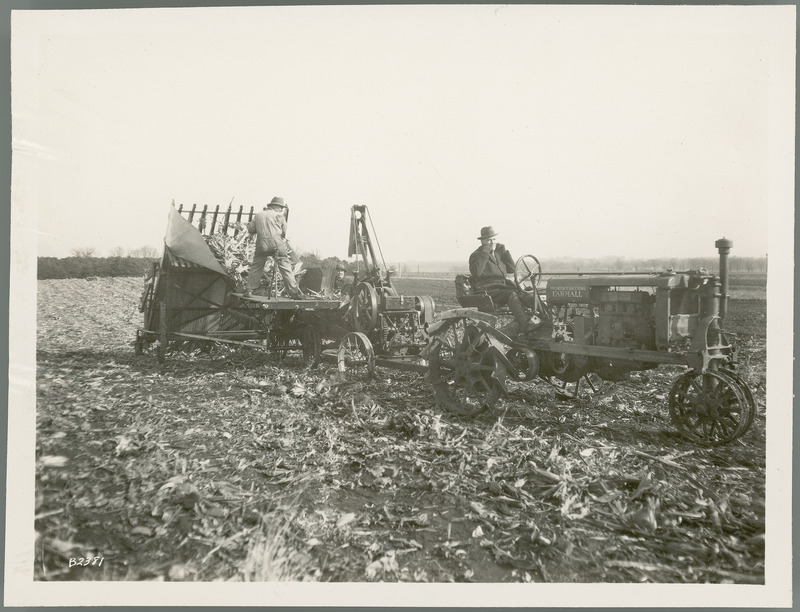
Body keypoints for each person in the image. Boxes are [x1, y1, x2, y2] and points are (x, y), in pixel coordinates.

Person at [469, 226, 541, 334]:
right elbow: (476, 272)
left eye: (494, 239)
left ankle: (543, 319)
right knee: (512, 295)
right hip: (487, 289)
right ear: (482, 241)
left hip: (502, 287)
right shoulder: (476, 255)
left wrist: (505, 253)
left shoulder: (498, 254)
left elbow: (512, 269)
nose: (492, 242)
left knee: (529, 293)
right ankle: (526, 325)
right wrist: (485, 253)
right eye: (488, 240)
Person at [244, 196, 304, 299]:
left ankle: (249, 289)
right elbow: (284, 232)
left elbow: (251, 229)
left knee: (257, 265)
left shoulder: (258, 215)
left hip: (261, 245)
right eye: (281, 207)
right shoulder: (279, 216)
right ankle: (294, 292)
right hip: (277, 244)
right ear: (275, 206)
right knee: (285, 266)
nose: (281, 209)